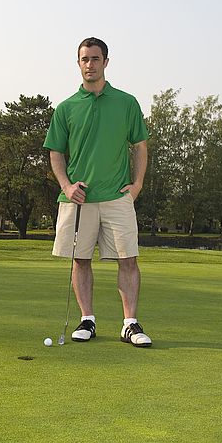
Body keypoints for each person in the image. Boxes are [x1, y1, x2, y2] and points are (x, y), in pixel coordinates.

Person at [43, 37, 152, 347]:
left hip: (118, 196)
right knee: (80, 260)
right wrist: (66, 185)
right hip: (79, 198)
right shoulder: (66, 108)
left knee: (128, 259)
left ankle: (130, 324)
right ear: (78, 63)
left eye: (95, 58)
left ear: (106, 62)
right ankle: (86, 319)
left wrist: (138, 184)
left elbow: (140, 146)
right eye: (84, 59)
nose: (89, 64)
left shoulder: (126, 102)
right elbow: (55, 152)